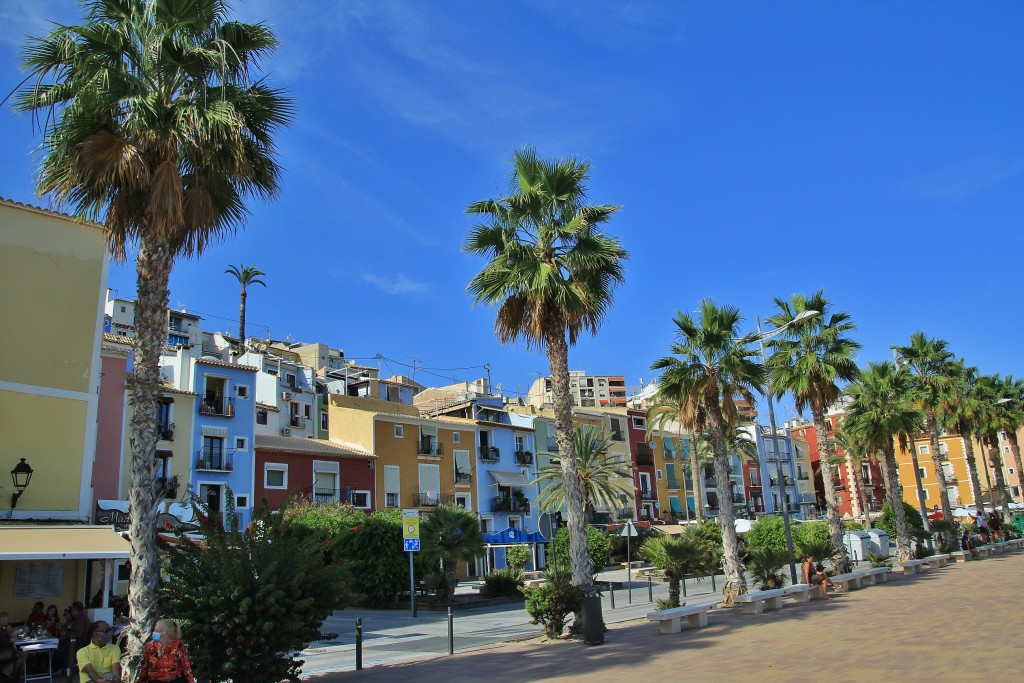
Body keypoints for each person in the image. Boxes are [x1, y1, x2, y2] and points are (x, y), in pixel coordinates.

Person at [0, 612, 27, 681]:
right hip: (2, 652)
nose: (8, 622)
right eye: (7, 620)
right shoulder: (1, 630)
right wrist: (8, 633)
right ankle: (5, 673)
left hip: (3, 649)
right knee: (23, 654)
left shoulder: (2, 628)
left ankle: (6, 671)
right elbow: (6, 643)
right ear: (2, 621)